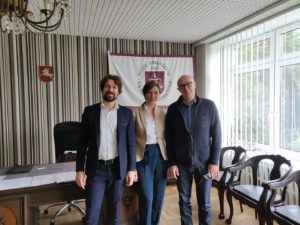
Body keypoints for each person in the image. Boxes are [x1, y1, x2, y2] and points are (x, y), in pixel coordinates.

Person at [76, 74, 136, 225]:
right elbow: (82, 143)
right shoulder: (90, 112)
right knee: (91, 215)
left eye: (114, 87)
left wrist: (131, 169)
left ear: (118, 91)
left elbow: (131, 144)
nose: (110, 89)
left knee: (114, 215)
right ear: (102, 89)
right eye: (107, 86)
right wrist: (79, 170)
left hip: (118, 169)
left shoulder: (126, 114)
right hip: (97, 170)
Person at [165, 75, 221, 225]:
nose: (186, 88)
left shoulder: (209, 106)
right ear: (178, 89)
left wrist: (214, 162)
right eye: (182, 86)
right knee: (184, 202)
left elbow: (217, 136)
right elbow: (168, 139)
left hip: (205, 165)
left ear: (195, 84)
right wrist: (172, 163)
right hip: (181, 165)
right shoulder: (173, 109)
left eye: (188, 84)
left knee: (205, 203)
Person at [134, 80, 168, 225]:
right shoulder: (135, 113)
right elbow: (130, 139)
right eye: (149, 92)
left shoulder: (163, 113)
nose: (152, 95)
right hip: (142, 155)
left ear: (159, 94)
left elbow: (168, 137)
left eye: (155, 93)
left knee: (159, 196)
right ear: (144, 94)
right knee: (147, 197)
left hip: (160, 155)